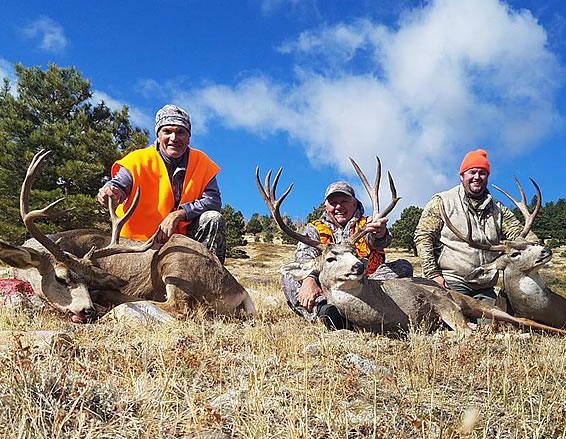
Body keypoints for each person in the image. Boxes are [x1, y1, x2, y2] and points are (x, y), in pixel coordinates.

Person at [97, 104, 226, 263]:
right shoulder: (138, 160)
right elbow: (119, 184)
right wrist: (111, 192)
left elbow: (213, 201)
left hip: (182, 243)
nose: (174, 138)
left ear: (188, 137)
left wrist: (179, 214)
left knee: (212, 218)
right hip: (137, 245)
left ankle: (208, 281)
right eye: (167, 131)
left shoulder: (202, 162)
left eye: (180, 132)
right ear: (158, 135)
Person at [281, 181, 413, 330]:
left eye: (344, 201)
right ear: (326, 206)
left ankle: (363, 313)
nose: (338, 207)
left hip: (368, 285)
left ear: (355, 204)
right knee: (289, 275)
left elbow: (379, 242)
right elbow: (304, 256)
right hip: (330, 289)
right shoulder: (315, 229)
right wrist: (309, 279)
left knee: (402, 266)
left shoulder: (367, 224)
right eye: (333, 202)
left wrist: (379, 233)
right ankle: (324, 312)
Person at [414, 149, 537, 304]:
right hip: (451, 281)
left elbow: (520, 235)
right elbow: (423, 236)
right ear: (462, 175)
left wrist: (536, 247)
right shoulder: (443, 202)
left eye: (482, 173)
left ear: (487, 177)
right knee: (457, 320)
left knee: (493, 324)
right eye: (472, 172)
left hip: (485, 286)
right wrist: (433, 275)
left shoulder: (498, 209)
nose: (477, 177)